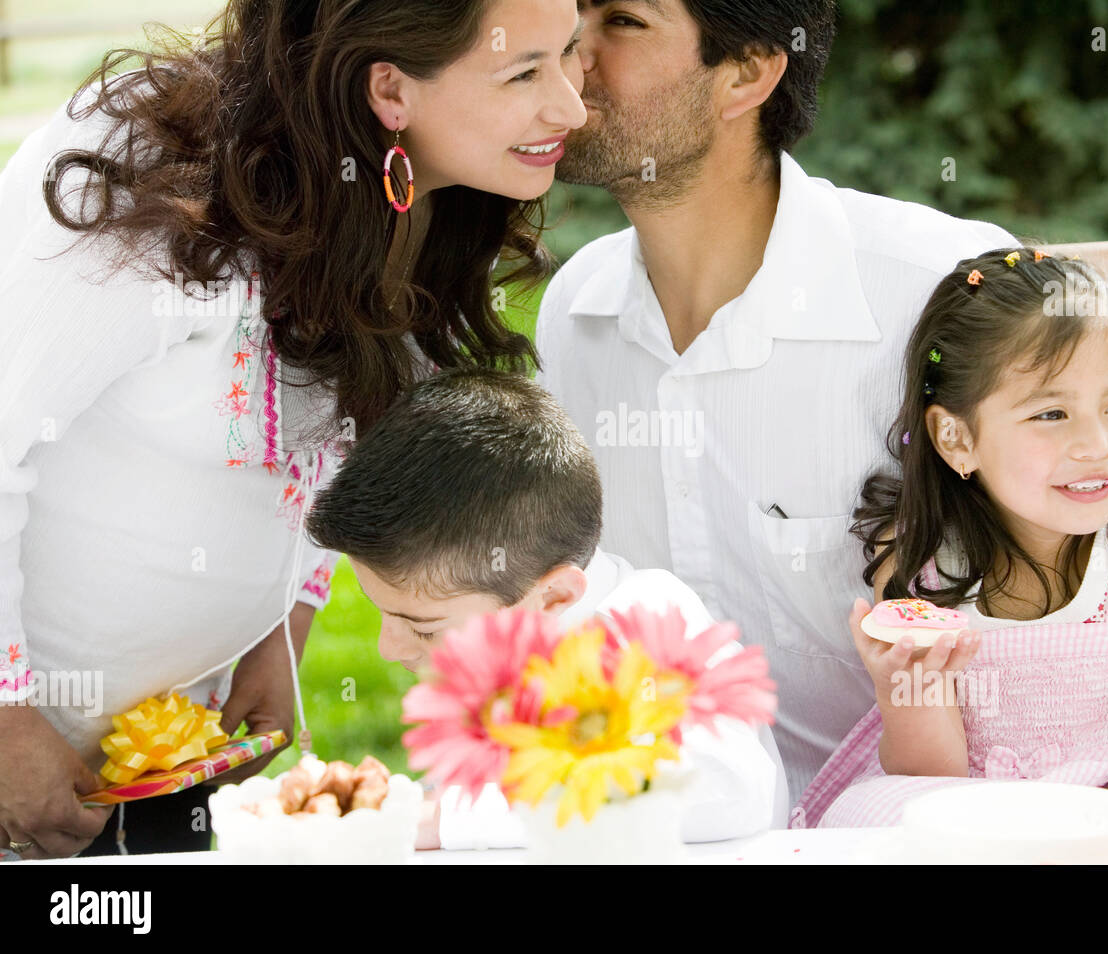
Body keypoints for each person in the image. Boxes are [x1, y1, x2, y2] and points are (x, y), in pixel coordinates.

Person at [0, 0, 586, 860]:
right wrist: (8, 717)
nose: (570, 105)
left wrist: (278, 632)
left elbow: (329, 442)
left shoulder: (426, 199)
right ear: (388, 86)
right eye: (525, 71)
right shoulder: (139, 173)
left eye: (568, 57)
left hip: (167, 764)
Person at [533, 0, 1015, 804]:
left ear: (749, 72)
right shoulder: (575, 311)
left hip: (917, 830)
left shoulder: (940, 290)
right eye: (573, 10)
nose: (568, 50)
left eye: (621, 20)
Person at [792, 248, 1108, 829]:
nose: (1096, 444)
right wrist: (906, 689)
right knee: (885, 819)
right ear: (956, 438)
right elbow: (932, 780)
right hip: (977, 826)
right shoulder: (920, 561)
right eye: (1051, 415)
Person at [304, 368, 785, 847]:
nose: (388, 648)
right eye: (382, 612)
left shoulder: (644, 621)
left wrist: (450, 819)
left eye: (425, 628)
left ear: (553, 598)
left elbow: (729, 791)